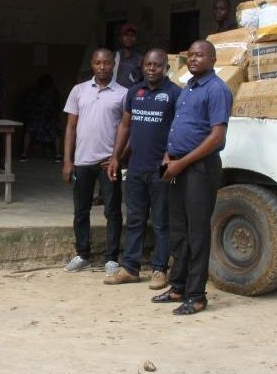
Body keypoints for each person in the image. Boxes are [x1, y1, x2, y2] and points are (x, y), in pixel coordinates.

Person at [153, 40, 233, 315]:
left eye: (200, 55)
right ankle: (178, 287)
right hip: (177, 165)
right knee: (178, 229)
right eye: (190, 56)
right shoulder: (187, 87)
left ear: (212, 59)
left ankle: (197, 296)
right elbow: (179, 128)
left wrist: (182, 162)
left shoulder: (217, 90)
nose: (193, 59)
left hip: (199, 168)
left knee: (197, 232)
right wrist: (168, 156)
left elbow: (216, 137)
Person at [105, 49, 182, 289]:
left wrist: (171, 155)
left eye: (156, 65)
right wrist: (116, 157)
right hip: (136, 167)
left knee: (160, 222)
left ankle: (160, 270)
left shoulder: (174, 94)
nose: (151, 69)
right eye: (148, 64)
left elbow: (179, 128)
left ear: (165, 67)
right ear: (143, 66)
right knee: (135, 220)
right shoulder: (133, 92)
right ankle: (130, 268)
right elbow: (125, 127)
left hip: (160, 169)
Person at [62, 48, 127, 275]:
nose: (102, 67)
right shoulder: (78, 91)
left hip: (108, 163)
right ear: (92, 64)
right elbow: (70, 128)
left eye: (107, 63)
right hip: (82, 161)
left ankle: (111, 258)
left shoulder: (122, 93)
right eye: (98, 63)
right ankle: (82, 254)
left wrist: (117, 158)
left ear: (113, 65)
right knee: (81, 210)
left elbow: (127, 130)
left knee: (112, 210)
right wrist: (68, 161)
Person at [20, 74, 63, 162]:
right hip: (37, 119)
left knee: (57, 131)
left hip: (49, 120)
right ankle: (24, 153)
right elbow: (27, 107)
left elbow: (58, 107)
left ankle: (58, 155)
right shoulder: (34, 92)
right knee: (29, 130)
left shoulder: (54, 93)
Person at [113, 23, 144, 88]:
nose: (129, 38)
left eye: (132, 35)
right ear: (120, 38)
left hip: (131, 95)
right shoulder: (113, 56)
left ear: (136, 39)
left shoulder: (140, 60)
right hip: (112, 95)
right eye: (126, 35)